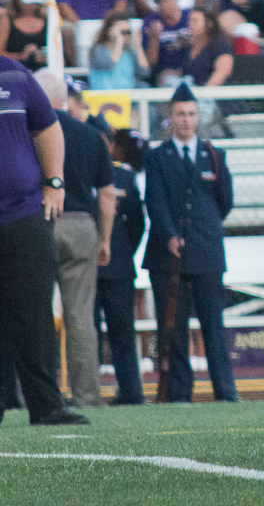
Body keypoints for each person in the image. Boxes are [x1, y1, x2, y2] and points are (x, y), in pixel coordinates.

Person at [0, 57, 91, 427]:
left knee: (35, 314)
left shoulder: (15, 74)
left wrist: (54, 182)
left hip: (24, 216)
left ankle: (47, 406)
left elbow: (48, 127)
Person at [142, 82, 238, 403]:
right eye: (181, 114)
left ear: (199, 117)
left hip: (206, 252)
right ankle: (178, 393)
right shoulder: (157, 157)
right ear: (170, 117)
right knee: (174, 328)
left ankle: (225, 390)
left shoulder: (214, 155)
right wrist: (170, 234)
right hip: (166, 255)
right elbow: (154, 201)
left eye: (191, 114)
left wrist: (202, 230)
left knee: (213, 326)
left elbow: (225, 201)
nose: (186, 120)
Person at [34, 69, 114, 410]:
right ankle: (87, 396)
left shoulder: (29, 134)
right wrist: (105, 239)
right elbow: (107, 194)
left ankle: (37, 397)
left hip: (39, 223)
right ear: (65, 98)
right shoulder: (92, 137)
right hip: (82, 225)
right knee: (81, 316)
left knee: (35, 314)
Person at [95, 129, 147, 405]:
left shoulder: (124, 176)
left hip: (118, 267)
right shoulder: (80, 172)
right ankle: (87, 391)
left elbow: (137, 222)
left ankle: (131, 391)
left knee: (123, 332)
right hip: (86, 268)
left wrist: (124, 253)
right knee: (87, 332)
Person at [143, 0, 191, 86]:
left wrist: (188, 41)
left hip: (191, 70)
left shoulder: (190, 17)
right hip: (163, 74)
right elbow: (150, 63)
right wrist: (154, 38)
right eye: (166, 1)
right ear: (158, 4)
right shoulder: (151, 21)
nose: (171, 4)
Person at [88, 11, 150, 91]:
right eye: (122, 32)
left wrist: (138, 46)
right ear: (110, 31)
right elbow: (106, 65)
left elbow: (144, 72)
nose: (125, 36)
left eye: (128, 32)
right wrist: (118, 42)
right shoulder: (98, 49)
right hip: (104, 96)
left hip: (127, 96)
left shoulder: (129, 52)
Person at [0, 0, 48, 71]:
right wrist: (20, 56)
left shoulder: (48, 19)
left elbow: (60, 56)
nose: (30, 5)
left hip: (43, 73)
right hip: (13, 72)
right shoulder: (6, 20)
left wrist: (46, 58)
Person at [182, 6, 233, 86]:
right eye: (189, 21)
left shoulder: (219, 45)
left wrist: (206, 90)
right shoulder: (187, 48)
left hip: (212, 92)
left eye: (195, 21)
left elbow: (223, 71)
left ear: (209, 24)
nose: (190, 25)